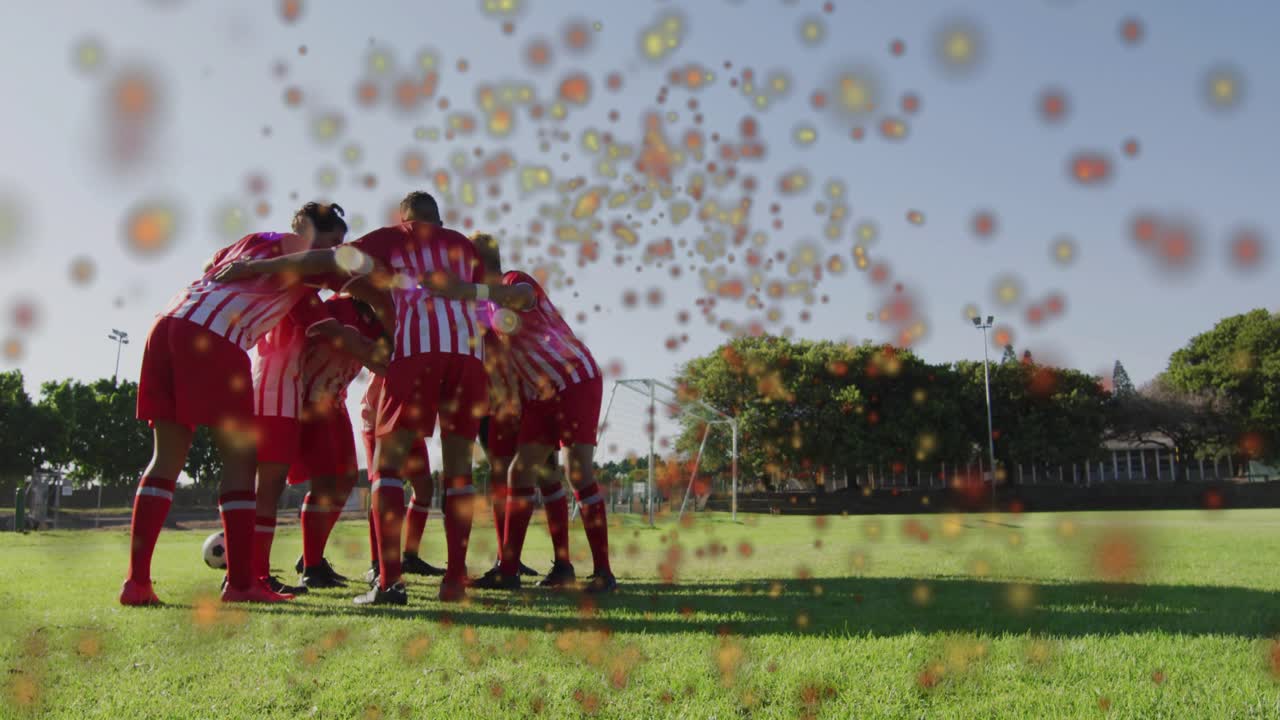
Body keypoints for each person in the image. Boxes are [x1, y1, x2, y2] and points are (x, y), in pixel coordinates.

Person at [213, 191, 529, 604]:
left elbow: (326, 262)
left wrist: (257, 266)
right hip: (468, 357)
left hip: (417, 349)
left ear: (405, 217)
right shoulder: (463, 246)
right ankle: (454, 580)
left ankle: (389, 582)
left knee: (387, 467)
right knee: (458, 473)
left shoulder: (394, 236)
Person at [122, 202, 349, 606]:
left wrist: (249, 268)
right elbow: (339, 263)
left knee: (166, 458)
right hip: (215, 334)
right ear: (315, 232)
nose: (339, 246)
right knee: (242, 462)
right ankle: (242, 583)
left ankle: (136, 584)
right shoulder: (301, 248)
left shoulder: (251, 241)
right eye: (336, 236)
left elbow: (212, 261)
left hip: (170, 318)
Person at [442, 233, 615, 593]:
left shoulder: (514, 281)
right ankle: (509, 571)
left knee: (577, 471)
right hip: (540, 393)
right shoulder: (486, 307)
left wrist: (469, 290)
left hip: (573, 379)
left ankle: (603, 573)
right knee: (521, 472)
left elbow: (520, 299)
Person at [281, 295, 394, 589]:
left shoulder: (377, 316)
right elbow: (374, 357)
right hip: (311, 397)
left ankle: (310, 555)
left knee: (344, 481)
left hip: (335, 400)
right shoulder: (337, 307)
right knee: (324, 482)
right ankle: (312, 567)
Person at [355, 372, 444, 588]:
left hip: (411, 419)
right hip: (379, 416)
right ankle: (377, 564)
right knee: (382, 484)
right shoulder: (396, 339)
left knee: (424, 488)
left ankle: (410, 557)